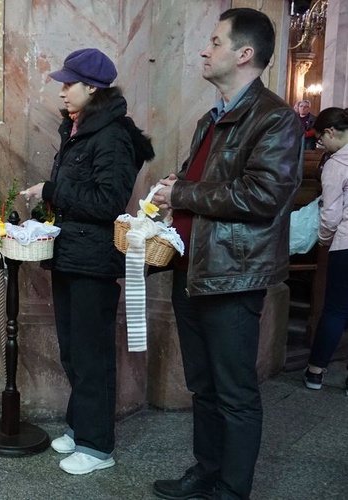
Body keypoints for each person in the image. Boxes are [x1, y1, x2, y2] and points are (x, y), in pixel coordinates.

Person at [150, 9, 302, 500]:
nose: (203, 50)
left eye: (214, 42)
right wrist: (171, 189)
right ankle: (206, 471)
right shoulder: (210, 118)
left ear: (244, 54)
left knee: (235, 393)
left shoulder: (275, 118)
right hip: (194, 269)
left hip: (234, 275)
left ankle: (232, 490)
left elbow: (263, 197)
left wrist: (184, 194)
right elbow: (204, 181)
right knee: (204, 386)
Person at [20, 48, 154, 475]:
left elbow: (108, 202)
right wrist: (44, 210)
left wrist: (51, 191)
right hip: (71, 254)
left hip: (94, 261)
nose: (61, 91)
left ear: (91, 88)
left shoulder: (111, 135)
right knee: (74, 352)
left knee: (92, 355)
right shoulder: (79, 129)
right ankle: (81, 430)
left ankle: (98, 448)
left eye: (67, 83)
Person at [302, 107, 348, 396]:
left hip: (346, 243)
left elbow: (330, 215)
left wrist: (323, 240)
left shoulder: (337, 163)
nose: (322, 146)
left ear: (330, 133)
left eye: (320, 140)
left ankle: (316, 372)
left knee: (335, 309)